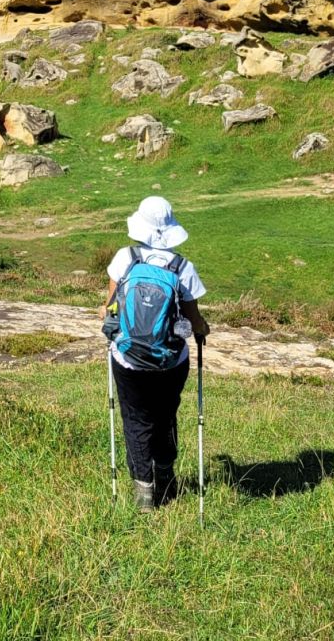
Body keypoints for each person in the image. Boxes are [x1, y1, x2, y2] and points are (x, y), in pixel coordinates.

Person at [100, 195, 209, 510]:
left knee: (136, 420)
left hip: (127, 358)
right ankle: (167, 479)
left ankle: (144, 493)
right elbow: (193, 319)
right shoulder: (182, 268)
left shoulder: (125, 258)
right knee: (165, 417)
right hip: (170, 362)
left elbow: (109, 309)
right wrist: (202, 329)